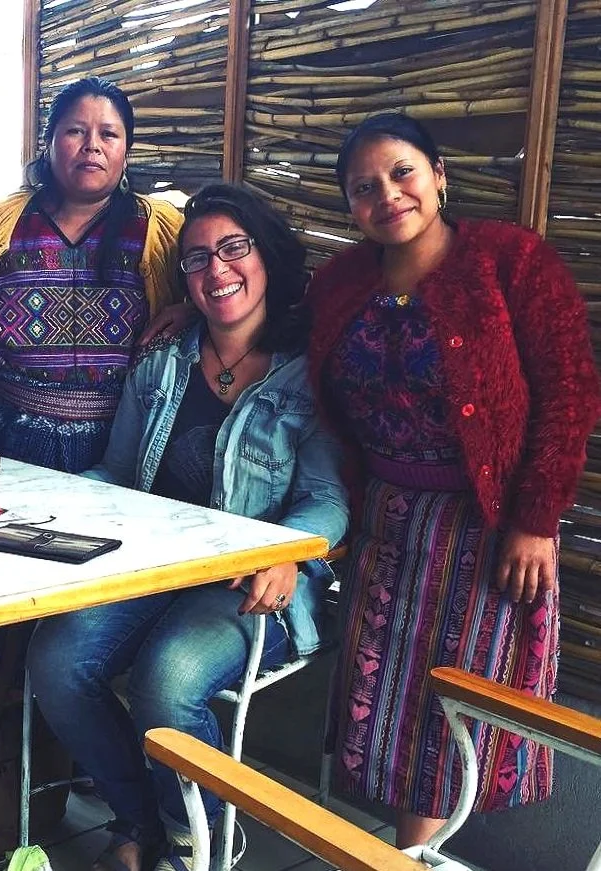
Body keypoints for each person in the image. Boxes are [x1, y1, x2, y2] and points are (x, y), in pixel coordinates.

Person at [28, 183, 349, 871]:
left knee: (167, 677)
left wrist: (285, 553)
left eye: (233, 249)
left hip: (248, 582)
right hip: (150, 565)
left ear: (267, 258)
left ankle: (194, 838)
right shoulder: (163, 362)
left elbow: (327, 499)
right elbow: (117, 472)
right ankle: (141, 816)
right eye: (197, 258)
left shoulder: (306, 376)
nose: (216, 270)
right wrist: (39, 501)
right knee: (56, 661)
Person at [307, 112, 601, 849]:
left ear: (438, 175)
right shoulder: (342, 282)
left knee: (449, 705)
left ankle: (406, 854)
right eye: (363, 187)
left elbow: (569, 391)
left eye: (402, 172)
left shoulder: (511, 263)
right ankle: (402, 851)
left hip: (485, 526)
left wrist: (534, 519)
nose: (387, 195)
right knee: (386, 699)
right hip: (385, 519)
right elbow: (279, 335)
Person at [0, 76, 183, 473]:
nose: (91, 145)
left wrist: (191, 310)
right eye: (76, 131)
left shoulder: (159, 229)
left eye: (109, 134)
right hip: (5, 441)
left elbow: (215, 292)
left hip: (124, 449)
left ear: (126, 151)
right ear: (48, 143)